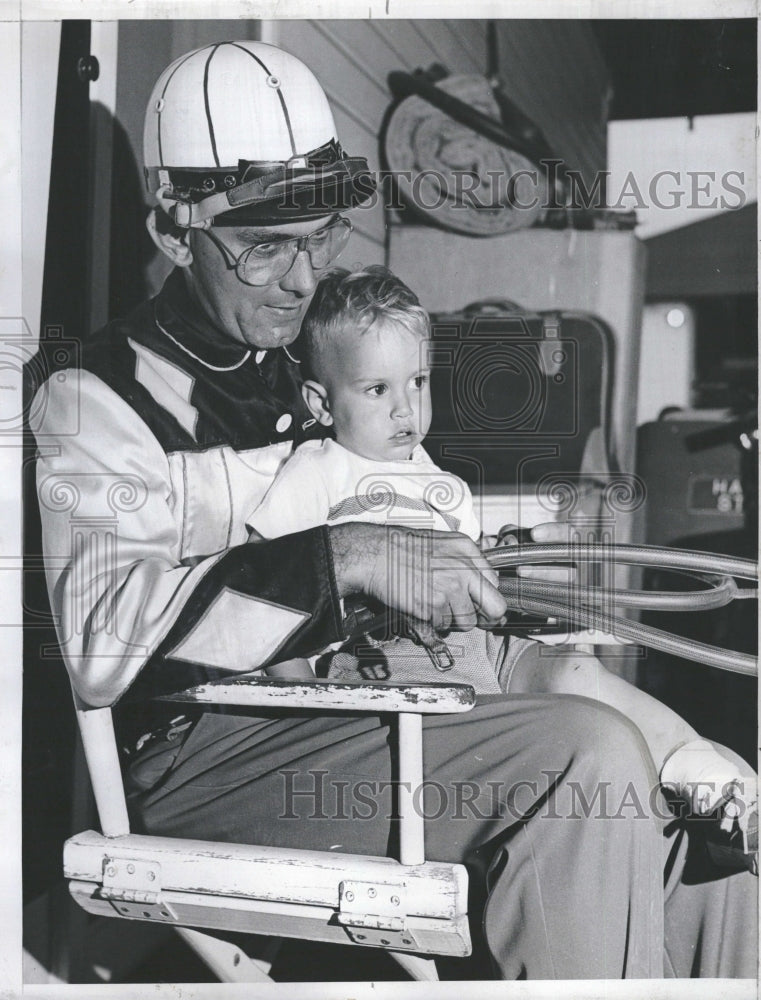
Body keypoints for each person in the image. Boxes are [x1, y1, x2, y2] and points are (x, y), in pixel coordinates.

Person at [31, 40, 757, 980]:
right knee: (582, 763)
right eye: (264, 248)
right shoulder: (97, 398)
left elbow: (475, 651)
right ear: (175, 230)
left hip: (389, 707)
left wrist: (683, 745)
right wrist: (349, 555)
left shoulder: (320, 362)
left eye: (321, 236)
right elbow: (99, 650)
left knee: (708, 836)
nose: (301, 279)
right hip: (222, 751)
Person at [248, 264, 758, 830]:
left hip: (478, 657)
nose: (405, 409)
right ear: (321, 404)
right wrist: (301, 705)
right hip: (382, 671)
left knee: (573, 667)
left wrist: (516, 552)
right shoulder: (316, 473)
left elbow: (475, 574)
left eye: (418, 382)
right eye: (377, 389)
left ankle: (710, 779)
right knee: (566, 740)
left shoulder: (445, 485)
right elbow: (271, 591)